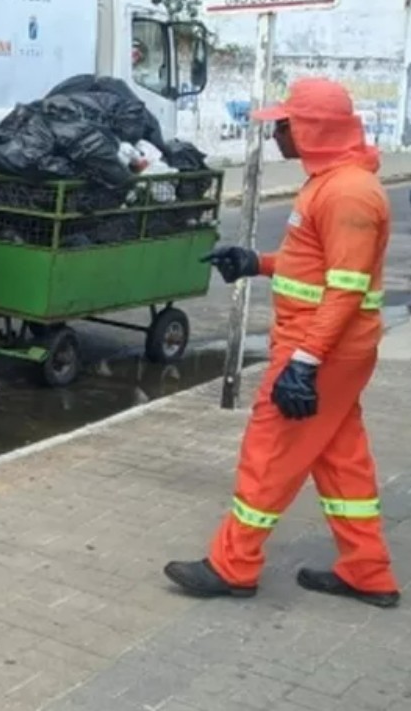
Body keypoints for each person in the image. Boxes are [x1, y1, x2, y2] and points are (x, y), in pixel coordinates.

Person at [166, 77, 399, 608]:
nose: (277, 136)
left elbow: (346, 288)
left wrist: (305, 362)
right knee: (342, 460)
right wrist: (256, 263)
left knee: (268, 454)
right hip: (329, 350)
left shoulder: (346, 193)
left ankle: (233, 566)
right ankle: (367, 572)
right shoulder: (333, 184)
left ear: (312, 129)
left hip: (320, 351)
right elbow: (314, 267)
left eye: (285, 125)